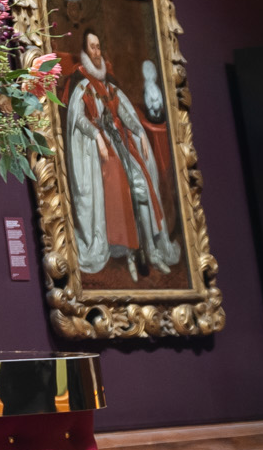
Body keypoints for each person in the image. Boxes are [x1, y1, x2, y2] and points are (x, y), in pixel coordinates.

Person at [63, 29, 180, 280]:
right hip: (102, 155)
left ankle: (150, 251)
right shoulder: (82, 84)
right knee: (125, 189)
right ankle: (129, 253)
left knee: (142, 187)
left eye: (98, 47)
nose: (96, 53)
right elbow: (78, 119)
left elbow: (126, 114)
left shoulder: (109, 85)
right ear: (85, 52)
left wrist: (139, 132)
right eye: (91, 47)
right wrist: (96, 137)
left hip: (122, 145)